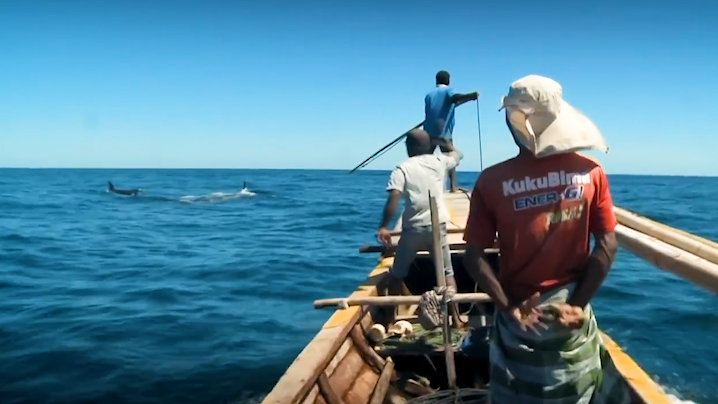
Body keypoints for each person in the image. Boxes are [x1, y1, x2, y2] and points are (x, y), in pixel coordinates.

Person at [462, 75, 631, 403]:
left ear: (515, 122)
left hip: (520, 315)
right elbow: (608, 245)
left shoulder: (491, 181)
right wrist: (576, 306)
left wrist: (508, 306)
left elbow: (474, 256)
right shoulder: (592, 172)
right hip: (570, 313)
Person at [376, 128, 464, 326]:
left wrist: (383, 226)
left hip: (413, 229)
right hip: (438, 226)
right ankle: (456, 319)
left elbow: (394, 198)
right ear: (429, 147)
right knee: (447, 274)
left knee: (398, 275)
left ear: (409, 148)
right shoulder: (440, 162)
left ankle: (390, 318)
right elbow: (458, 155)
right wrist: (446, 143)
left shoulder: (403, 168)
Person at [423, 70, 478, 193]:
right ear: (448, 80)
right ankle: (453, 187)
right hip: (443, 133)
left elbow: (448, 103)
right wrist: (470, 95)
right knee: (451, 158)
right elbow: (455, 98)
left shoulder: (429, 95)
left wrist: (468, 99)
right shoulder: (448, 91)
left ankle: (426, 188)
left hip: (428, 133)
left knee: (426, 161)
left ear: (436, 80)